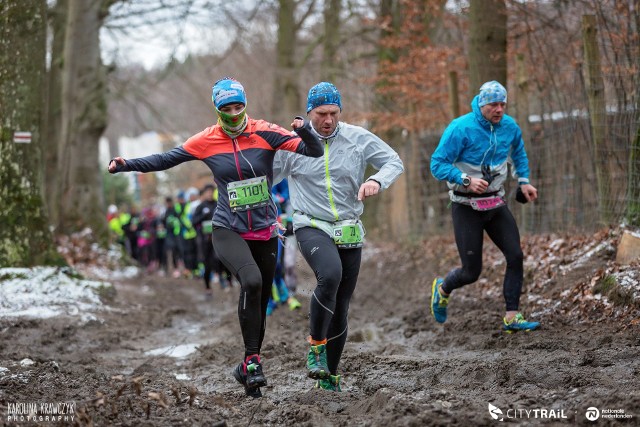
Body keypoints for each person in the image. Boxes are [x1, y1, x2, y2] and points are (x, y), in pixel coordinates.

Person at [109, 77, 323, 398]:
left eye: (239, 107)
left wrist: (304, 128)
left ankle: (249, 365)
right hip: (228, 228)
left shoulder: (265, 130)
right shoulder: (206, 140)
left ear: (245, 105)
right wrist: (128, 165)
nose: (234, 113)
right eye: (227, 108)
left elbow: (314, 150)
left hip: (265, 229)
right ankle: (252, 361)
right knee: (250, 281)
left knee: (260, 295)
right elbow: (166, 159)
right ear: (217, 110)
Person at [273, 82, 404, 392]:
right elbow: (266, 177)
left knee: (342, 304)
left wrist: (376, 180)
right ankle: (315, 347)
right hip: (310, 222)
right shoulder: (293, 144)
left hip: (348, 224)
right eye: (321, 114)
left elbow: (393, 161)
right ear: (308, 113)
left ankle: (329, 375)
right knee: (329, 276)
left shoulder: (357, 138)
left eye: (333, 113)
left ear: (340, 112)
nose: (328, 120)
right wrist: (263, 210)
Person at [429, 80, 540, 333]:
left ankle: (512, 316)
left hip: (495, 203)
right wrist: (465, 180)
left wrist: (524, 181)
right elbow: (437, 164)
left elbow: (519, 154)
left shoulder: (510, 127)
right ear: (481, 104)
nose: (499, 109)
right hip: (465, 206)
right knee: (471, 272)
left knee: (515, 255)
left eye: (503, 104)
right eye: (493, 104)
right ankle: (443, 288)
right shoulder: (460, 128)